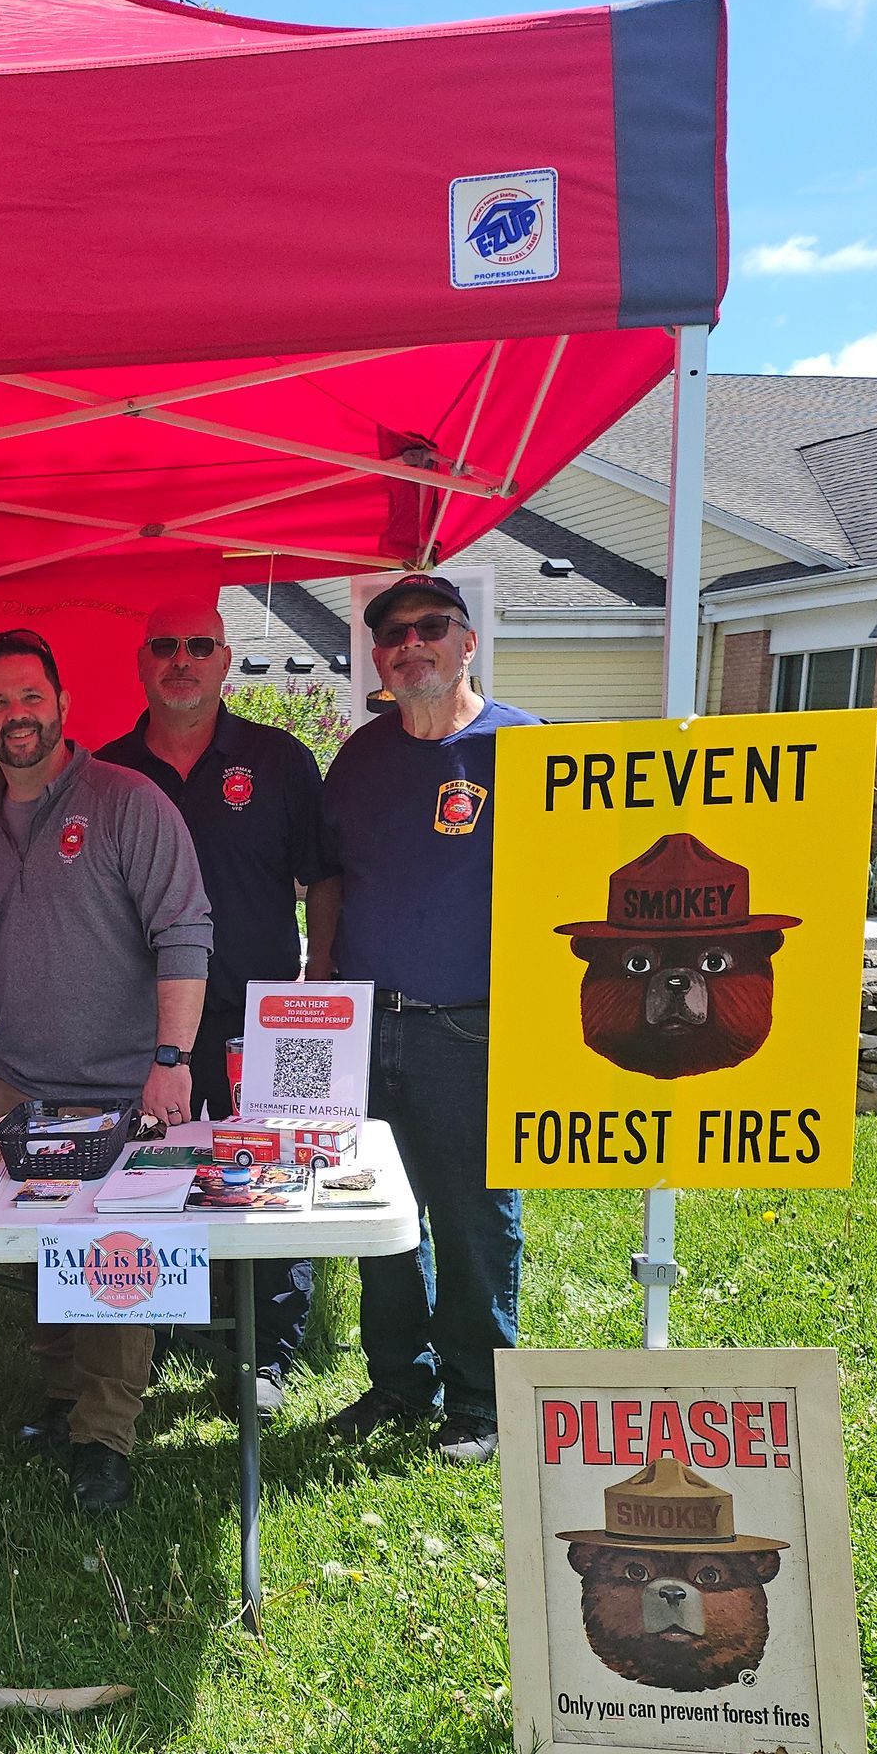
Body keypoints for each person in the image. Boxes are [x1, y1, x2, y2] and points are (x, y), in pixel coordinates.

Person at [0, 626, 212, 1513]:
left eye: (31, 696)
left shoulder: (126, 800)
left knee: (116, 1260)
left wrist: (171, 1060)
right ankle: (63, 1402)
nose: (16, 714)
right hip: (22, 1083)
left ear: (63, 704)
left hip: (123, 1085)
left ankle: (105, 1438)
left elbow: (185, 931)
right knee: (42, 1254)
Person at [310, 574, 536, 1463]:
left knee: (475, 1217)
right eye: (392, 634)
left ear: (467, 640)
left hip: (475, 1027)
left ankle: (480, 1403)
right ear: (378, 656)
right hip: (366, 1026)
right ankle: (401, 1383)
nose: (410, 644)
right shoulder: (360, 759)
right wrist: (321, 974)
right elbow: (328, 878)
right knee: (376, 1215)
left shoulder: (524, 750)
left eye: (429, 627)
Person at [99, 596, 333, 1416]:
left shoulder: (278, 760)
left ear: (226, 661)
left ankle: (267, 1351)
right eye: (164, 645)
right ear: (141, 664)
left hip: (260, 1013)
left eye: (200, 645)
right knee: (154, 1174)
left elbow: (322, 877)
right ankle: (157, 1329)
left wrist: (322, 977)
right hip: (150, 1021)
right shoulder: (109, 771)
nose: (182, 659)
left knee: (265, 1169)